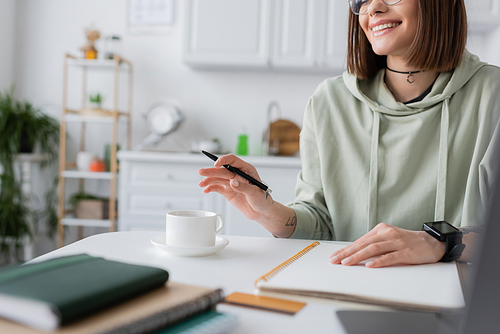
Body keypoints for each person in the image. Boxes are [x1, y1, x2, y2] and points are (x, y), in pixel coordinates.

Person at [198, 0, 500, 268]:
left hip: (455, 305)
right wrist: (266, 210)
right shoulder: (329, 101)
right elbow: (318, 222)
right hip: (352, 287)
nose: (373, 8)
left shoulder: (492, 95)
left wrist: (439, 242)